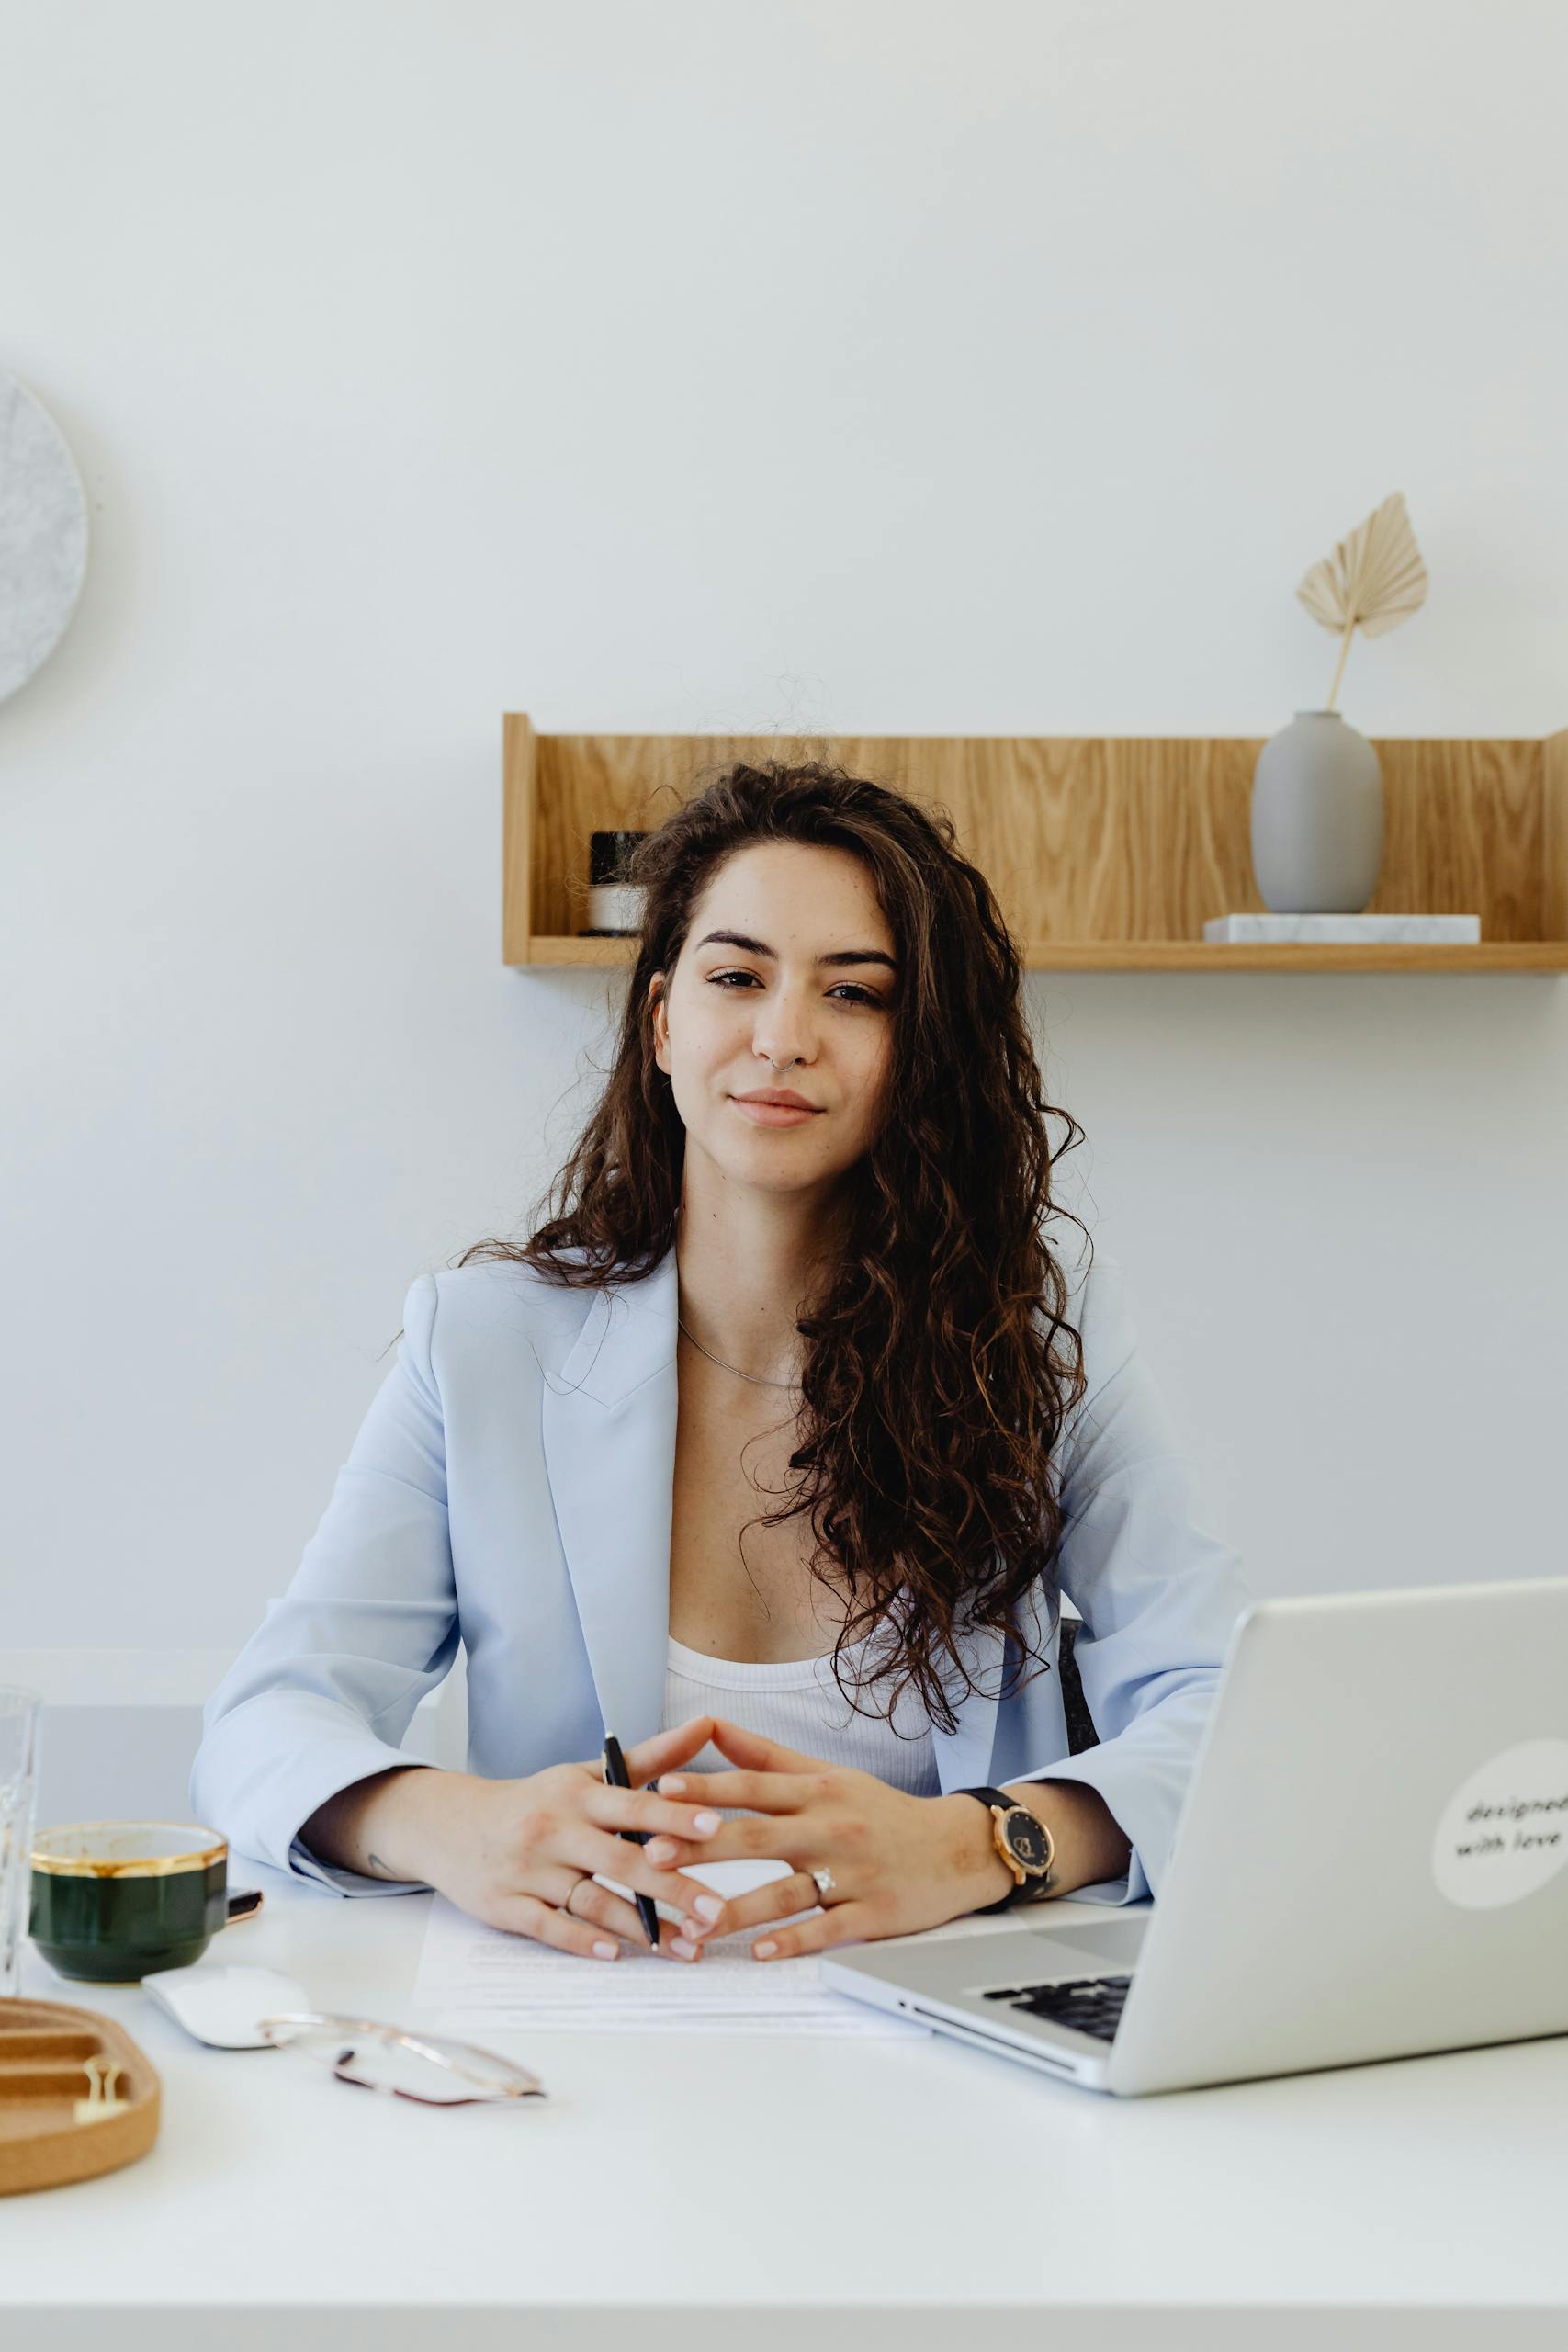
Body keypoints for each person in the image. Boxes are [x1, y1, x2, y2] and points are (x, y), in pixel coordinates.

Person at [190, 758, 1250, 1966]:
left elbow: (1224, 1706)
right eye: (737, 976)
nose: (783, 1037)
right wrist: (456, 1823)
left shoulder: (1041, 1339)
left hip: (945, 2031)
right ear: (660, 1022)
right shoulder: (481, 1344)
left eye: (855, 994)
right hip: (581, 2039)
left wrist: (979, 1843)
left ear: (921, 1050)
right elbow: (265, 1722)